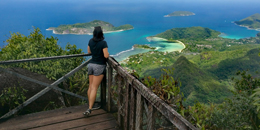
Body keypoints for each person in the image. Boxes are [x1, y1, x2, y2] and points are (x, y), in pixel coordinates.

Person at [83, 26, 109, 116]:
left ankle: (89, 105)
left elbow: (89, 51)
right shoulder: (103, 43)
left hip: (91, 65)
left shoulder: (90, 41)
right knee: (94, 88)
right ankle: (90, 109)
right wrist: (107, 53)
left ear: (94, 33)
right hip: (99, 66)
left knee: (90, 86)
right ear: (101, 33)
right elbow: (106, 56)